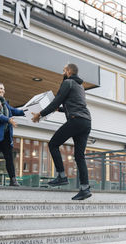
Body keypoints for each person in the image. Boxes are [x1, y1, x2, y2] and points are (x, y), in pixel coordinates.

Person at [32, 64, 92, 200]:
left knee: (53, 144)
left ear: (69, 71)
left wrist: (39, 114)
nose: (63, 72)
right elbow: (73, 105)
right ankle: (85, 188)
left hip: (76, 120)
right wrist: (58, 110)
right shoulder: (80, 87)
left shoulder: (67, 82)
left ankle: (62, 176)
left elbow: (56, 100)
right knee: (79, 156)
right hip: (86, 122)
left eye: (64, 70)